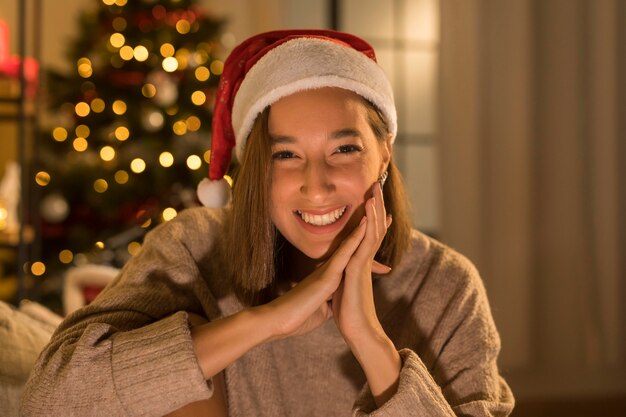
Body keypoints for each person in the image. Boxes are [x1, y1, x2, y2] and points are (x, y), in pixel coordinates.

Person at [21, 30, 514, 417]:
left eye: (344, 149)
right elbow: (49, 402)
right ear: (256, 167)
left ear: (384, 153)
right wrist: (265, 321)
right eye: (285, 155)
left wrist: (370, 340)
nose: (315, 186)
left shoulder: (446, 285)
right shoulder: (194, 248)